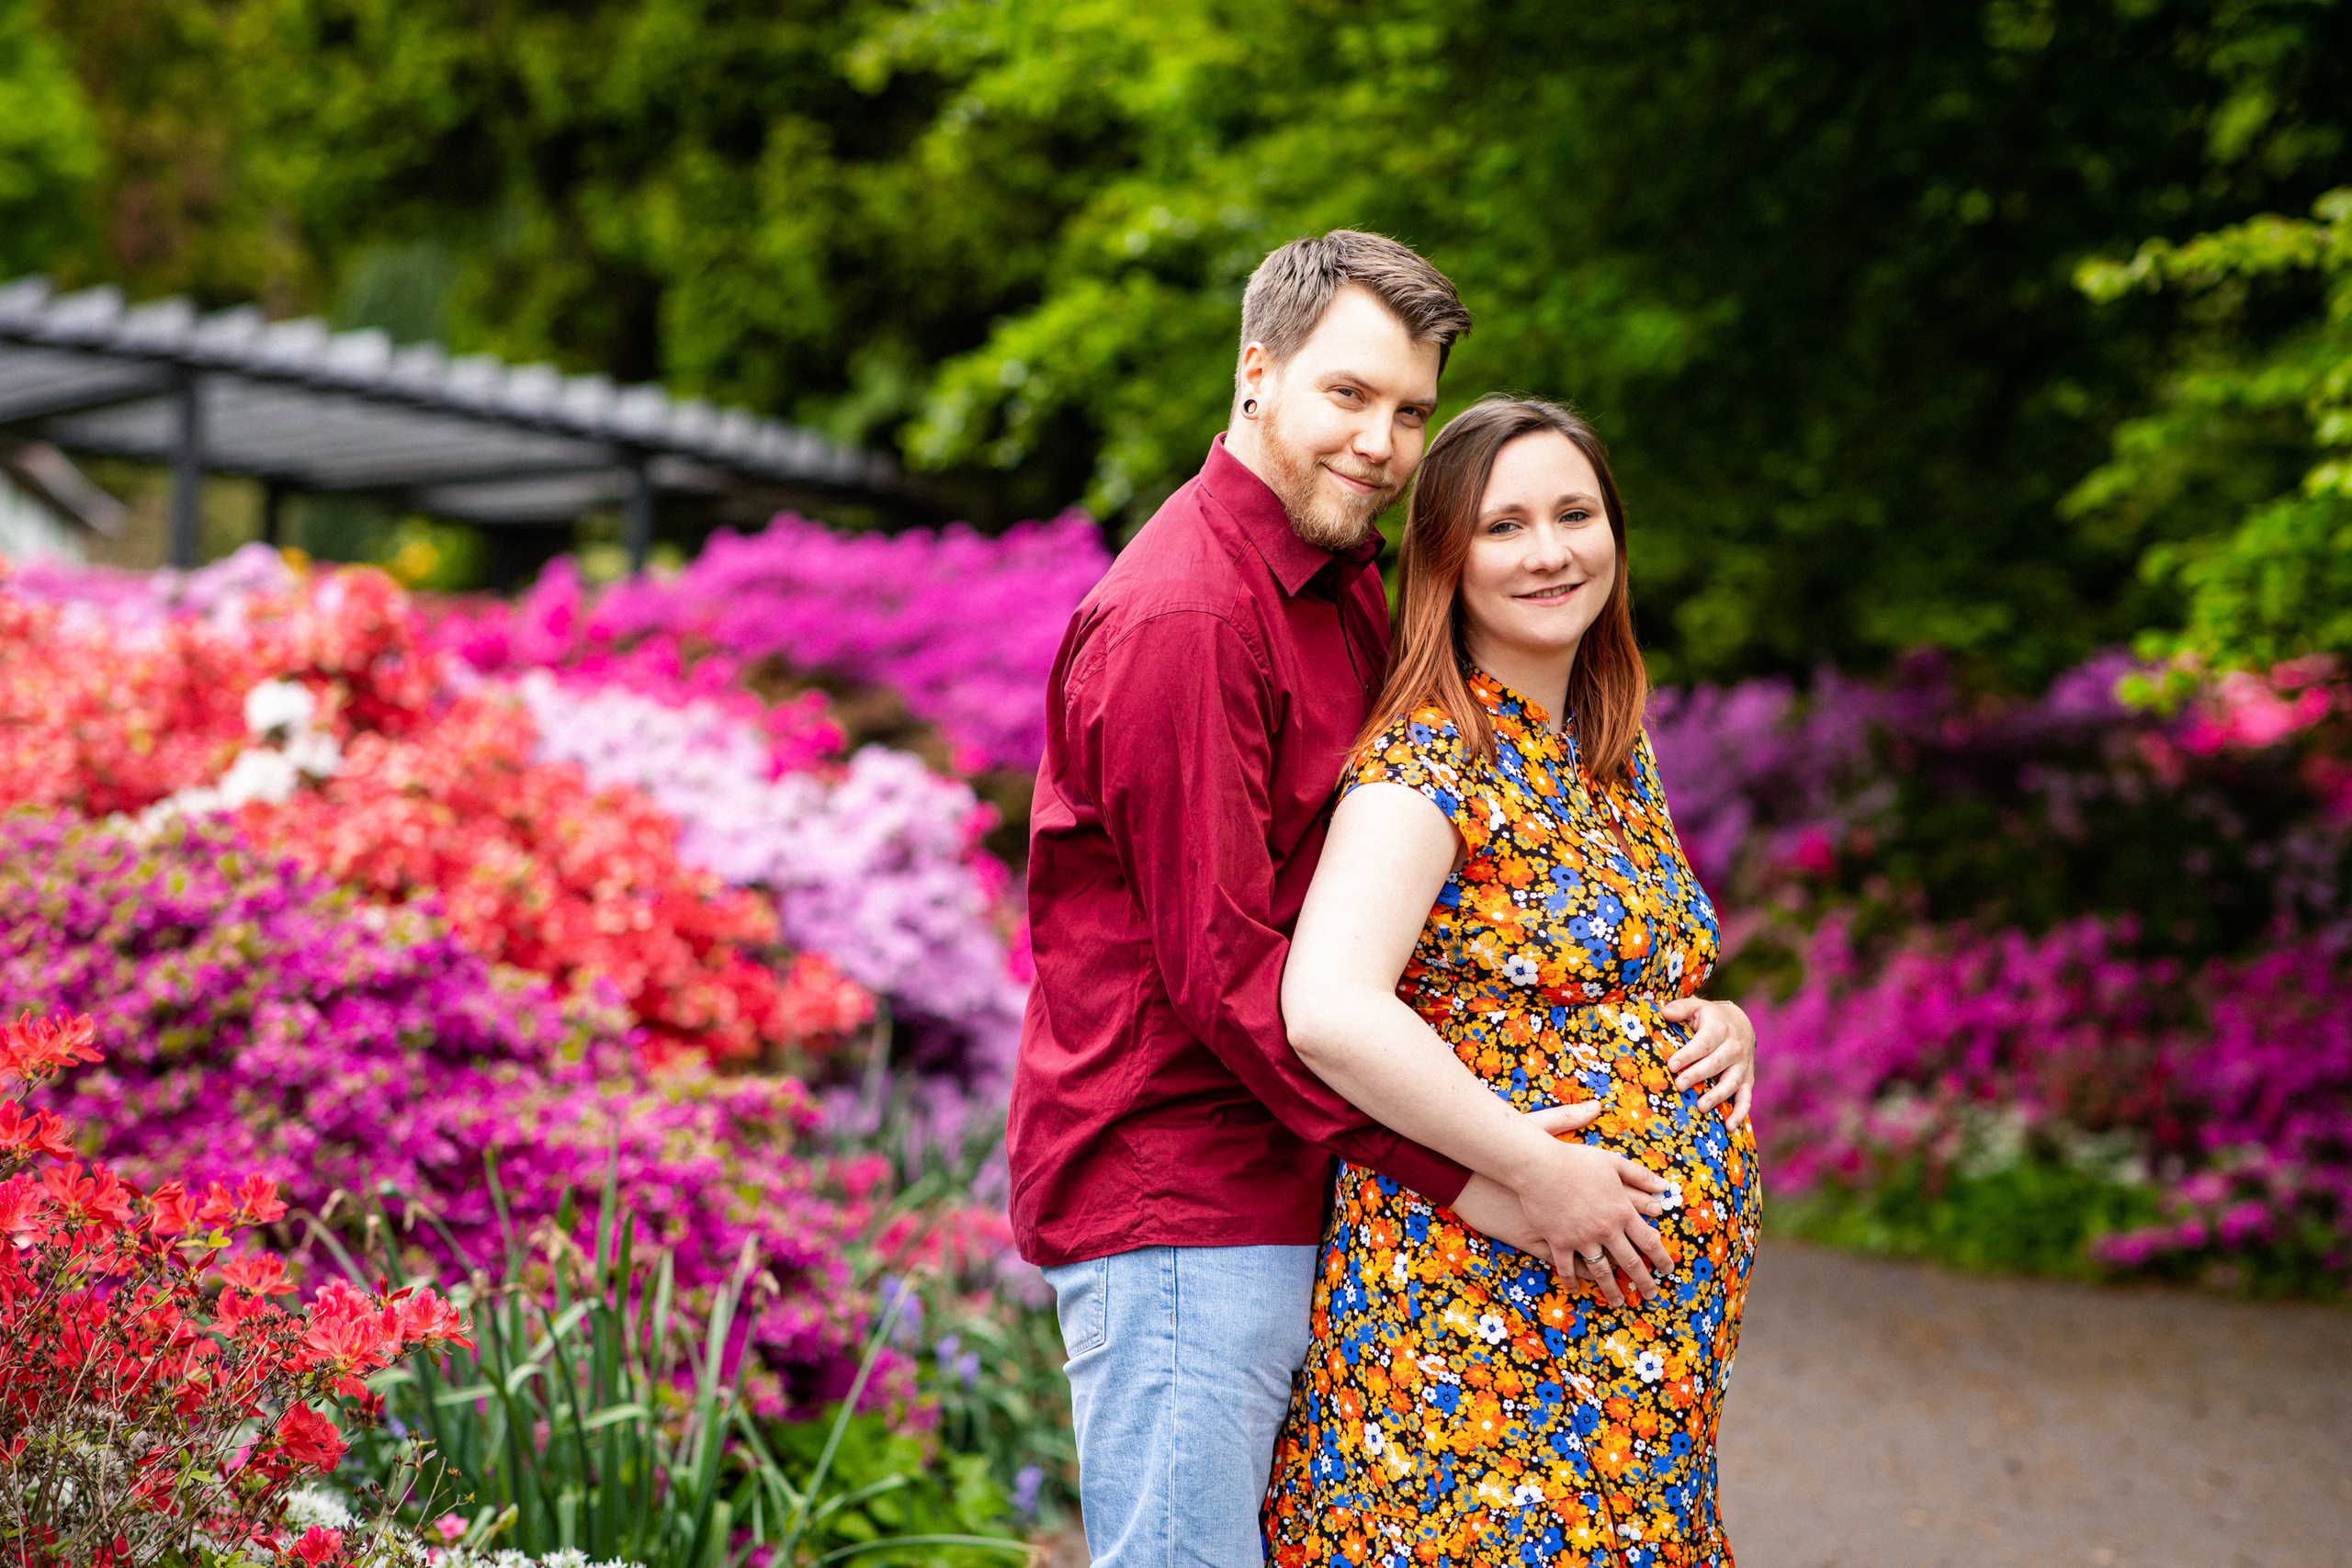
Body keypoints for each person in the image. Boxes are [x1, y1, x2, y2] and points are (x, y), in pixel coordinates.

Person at [1008, 232, 1757, 1564]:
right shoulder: (1188, 615)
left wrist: (1683, 1017)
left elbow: (1471, 899)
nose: (1382, 441)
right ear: (1259, 373)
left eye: (1410, 409)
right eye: (1348, 394)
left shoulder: (1343, 583)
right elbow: (1232, 973)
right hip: (1183, 1192)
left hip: (1317, 1187)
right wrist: (1486, 1171)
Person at [1261, 395, 1761, 1565]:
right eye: (1505, 526)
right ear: (1445, 561)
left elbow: (1615, 974)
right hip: (1484, 1338)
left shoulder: (1607, 746)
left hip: (1632, 1368)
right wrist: (1538, 1167)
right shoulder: (1431, 756)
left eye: (1575, 514)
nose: (1550, 552)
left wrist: (1720, 1022)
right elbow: (1328, 1006)